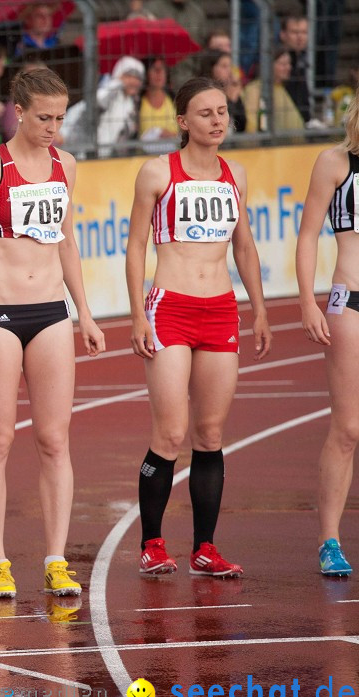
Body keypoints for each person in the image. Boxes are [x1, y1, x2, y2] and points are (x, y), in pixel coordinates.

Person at [0, 68, 104, 600]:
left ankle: (56, 558)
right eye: (43, 117)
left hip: (51, 313)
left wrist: (84, 311)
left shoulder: (66, 164)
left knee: (54, 439)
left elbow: (66, 242)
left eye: (60, 118)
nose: (52, 128)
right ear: (18, 111)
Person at [126, 77, 271, 579]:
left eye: (223, 111)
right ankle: (151, 543)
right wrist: (137, 314)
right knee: (169, 433)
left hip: (220, 310)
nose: (217, 120)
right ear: (183, 122)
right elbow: (135, 248)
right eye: (206, 113)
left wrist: (259, 308)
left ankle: (205, 548)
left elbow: (245, 246)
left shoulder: (236, 175)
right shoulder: (157, 172)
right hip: (170, 307)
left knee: (209, 433)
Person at [294, 79, 359, 577]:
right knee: (349, 427)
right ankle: (328, 541)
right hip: (349, 300)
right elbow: (309, 234)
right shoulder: (335, 163)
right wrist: (308, 301)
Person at [242, 46, 305, 134]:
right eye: (283, 64)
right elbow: (251, 124)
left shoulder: (281, 88)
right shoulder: (255, 89)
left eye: (289, 63)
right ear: (269, 65)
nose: (289, 67)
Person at [199, 50, 246, 133]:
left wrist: (234, 100)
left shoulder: (232, 90)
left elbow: (242, 126)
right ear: (211, 69)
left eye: (230, 66)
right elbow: (217, 123)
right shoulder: (202, 93)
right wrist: (231, 102)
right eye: (224, 66)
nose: (230, 71)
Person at [139, 57, 179, 141]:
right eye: (154, 68)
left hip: (173, 152)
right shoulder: (137, 103)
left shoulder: (174, 100)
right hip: (143, 154)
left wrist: (171, 135)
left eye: (162, 68)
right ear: (146, 73)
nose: (159, 72)